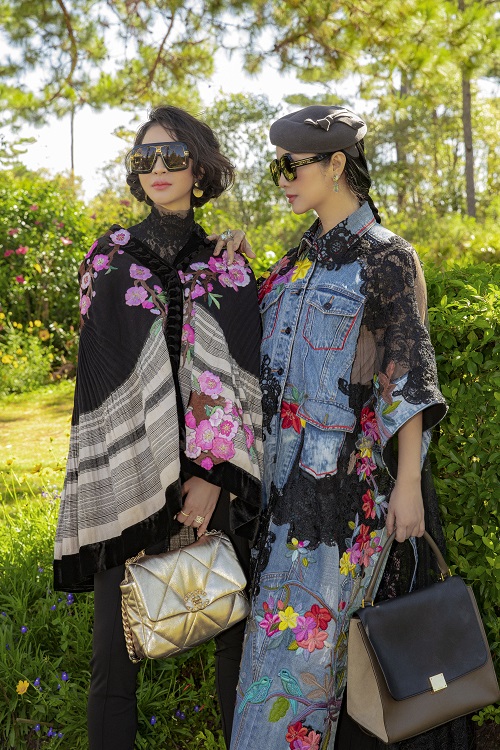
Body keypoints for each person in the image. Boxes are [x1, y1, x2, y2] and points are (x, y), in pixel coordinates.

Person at [230, 106, 469, 750]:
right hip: (281, 504)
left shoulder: (386, 258)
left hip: (345, 507)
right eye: (277, 168)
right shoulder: (293, 264)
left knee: (311, 675)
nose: (283, 180)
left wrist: (409, 486)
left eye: (293, 166)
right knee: (279, 672)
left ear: (337, 164)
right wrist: (235, 267)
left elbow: (407, 379)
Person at [53, 105, 263, 750]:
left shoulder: (229, 265)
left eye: (174, 155)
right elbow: (100, 376)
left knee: (233, 643)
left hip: (211, 483)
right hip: (128, 475)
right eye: (145, 158)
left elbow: (242, 379)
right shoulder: (108, 258)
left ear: (200, 167)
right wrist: (146, 476)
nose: (158, 169)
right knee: (113, 660)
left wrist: (211, 478)